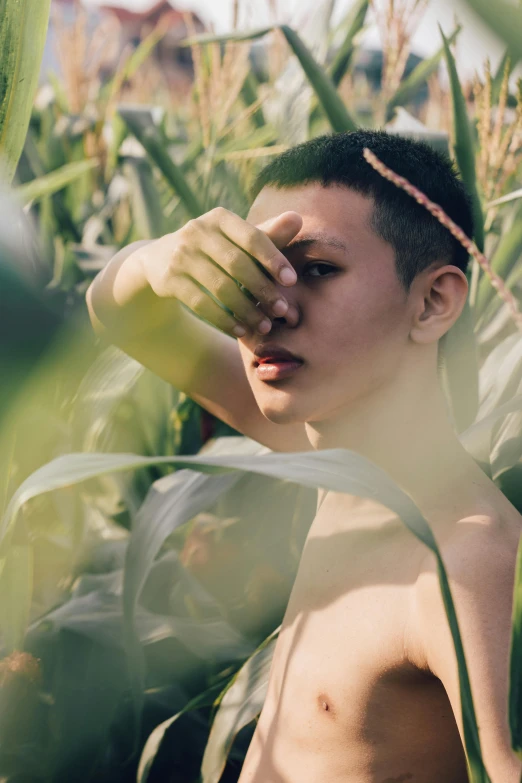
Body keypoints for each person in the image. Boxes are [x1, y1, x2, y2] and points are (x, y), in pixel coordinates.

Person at [86, 130, 522, 782]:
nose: (269, 308)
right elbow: (123, 315)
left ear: (433, 300)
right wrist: (157, 258)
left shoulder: (465, 563)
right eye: (250, 271)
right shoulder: (335, 458)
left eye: (315, 269)